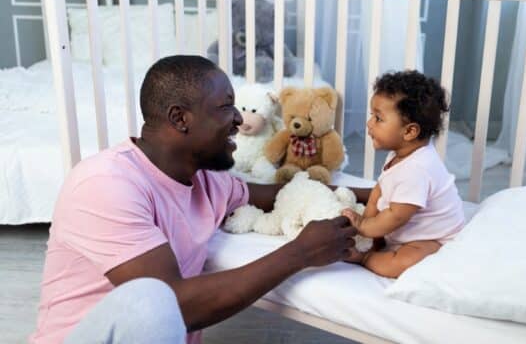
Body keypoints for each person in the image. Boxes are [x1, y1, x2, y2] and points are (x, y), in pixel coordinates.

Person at [30, 55, 367, 344]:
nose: (238, 119)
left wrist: (379, 192)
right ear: (180, 118)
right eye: (226, 106)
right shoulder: (106, 183)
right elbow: (173, 305)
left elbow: (281, 194)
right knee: (152, 298)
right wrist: (301, 253)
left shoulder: (205, 181)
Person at [342, 70, 465, 278]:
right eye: (372, 116)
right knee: (379, 231)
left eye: (378, 118)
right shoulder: (400, 154)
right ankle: (375, 244)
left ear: (409, 132)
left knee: (405, 261)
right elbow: (379, 190)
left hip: (434, 239)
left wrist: (365, 227)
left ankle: (366, 259)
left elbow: (397, 216)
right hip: (407, 230)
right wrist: (368, 219)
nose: (369, 123)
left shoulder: (417, 170)